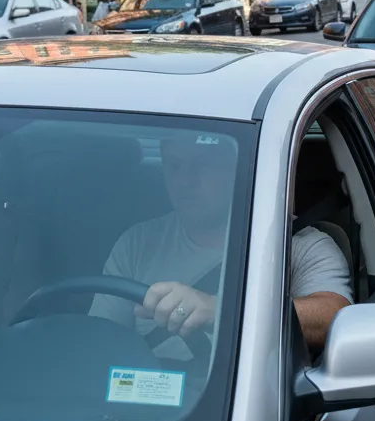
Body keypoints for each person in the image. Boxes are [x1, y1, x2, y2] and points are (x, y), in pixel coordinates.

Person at [90, 130, 352, 354]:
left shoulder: (299, 244)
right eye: (174, 165)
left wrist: (221, 311)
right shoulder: (138, 242)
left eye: (202, 164)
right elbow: (100, 342)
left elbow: (335, 317)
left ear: (239, 168)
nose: (186, 180)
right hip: (140, 400)